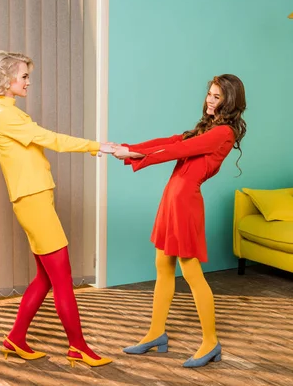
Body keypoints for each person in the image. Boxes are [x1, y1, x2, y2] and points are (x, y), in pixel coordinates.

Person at [0, 50, 114, 368]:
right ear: (6, 78)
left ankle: (15, 339)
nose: (28, 82)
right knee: (62, 278)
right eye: (24, 76)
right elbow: (50, 139)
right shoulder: (6, 115)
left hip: (35, 199)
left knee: (45, 278)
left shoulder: (6, 111)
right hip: (33, 201)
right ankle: (78, 347)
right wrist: (98, 146)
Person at [113, 74, 247, 368]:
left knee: (191, 274)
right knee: (163, 267)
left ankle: (211, 342)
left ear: (230, 102)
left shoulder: (223, 133)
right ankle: (155, 333)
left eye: (217, 97)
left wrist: (136, 155)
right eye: (209, 95)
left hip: (186, 204)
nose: (209, 101)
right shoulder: (206, 127)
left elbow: (179, 151)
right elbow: (171, 140)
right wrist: (127, 146)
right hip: (172, 200)